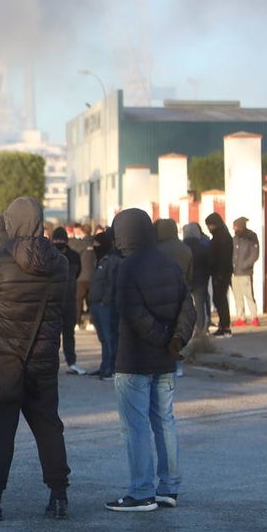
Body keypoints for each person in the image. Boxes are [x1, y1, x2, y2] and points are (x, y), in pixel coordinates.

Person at [0, 196, 70, 522]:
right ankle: (58, 496)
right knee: (48, 426)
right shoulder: (60, 263)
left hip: (5, 360)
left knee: (1, 430)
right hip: (44, 359)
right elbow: (62, 304)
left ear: (10, 223)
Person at [106, 208, 195, 513]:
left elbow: (131, 312)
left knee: (136, 427)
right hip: (166, 359)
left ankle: (141, 492)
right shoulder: (169, 264)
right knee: (165, 422)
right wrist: (175, 340)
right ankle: (168, 488)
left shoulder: (126, 268)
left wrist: (159, 338)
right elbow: (188, 307)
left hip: (134, 360)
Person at [51, 227, 86, 375]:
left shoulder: (73, 256)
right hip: (55, 302)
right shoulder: (50, 255)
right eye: (57, 240)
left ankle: (71, 362)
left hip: (68, 301)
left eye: (61, 240)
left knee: (68, 334)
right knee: (52, 336)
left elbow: (78, 273)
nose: (59, 242)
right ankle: (53, 364)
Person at [88, 228, 121, 381]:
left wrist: (105, 300)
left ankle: (111, 368)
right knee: (102, 338)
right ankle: (104, 365)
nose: (93, 245)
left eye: (96, 242)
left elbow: (112, 283)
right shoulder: (99, 260)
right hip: (96, 304)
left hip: (105, 305)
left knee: (109, 338)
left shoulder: (111, 260)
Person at [204, 213, 233, 338]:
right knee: (219, 299)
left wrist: (220, 273)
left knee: (220, 299)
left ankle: (225, 327)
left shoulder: (222, 238)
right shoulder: (220, 236)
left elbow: (223, 258)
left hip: (221, 273)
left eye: (210, 225)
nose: (209, 228)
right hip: (219, 273)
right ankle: (223, 325)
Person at [181, 223, 211, 343]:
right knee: (199, 306)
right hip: (200, 280)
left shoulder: (182, 247)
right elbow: (208, 263)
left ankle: (186, 329)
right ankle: (200, 329)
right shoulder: (203, 247)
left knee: (185, 306)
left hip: (186, 280)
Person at [230, 217, 260, 327]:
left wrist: (245, 265)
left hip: (245, 273)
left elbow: (254, 254)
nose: (234, 228)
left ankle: (254, 317)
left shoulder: (251, 237)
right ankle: (240, 318)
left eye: (235, 226)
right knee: (238, 296)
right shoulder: (235, 238)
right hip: (234, 272)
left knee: (249, 295)